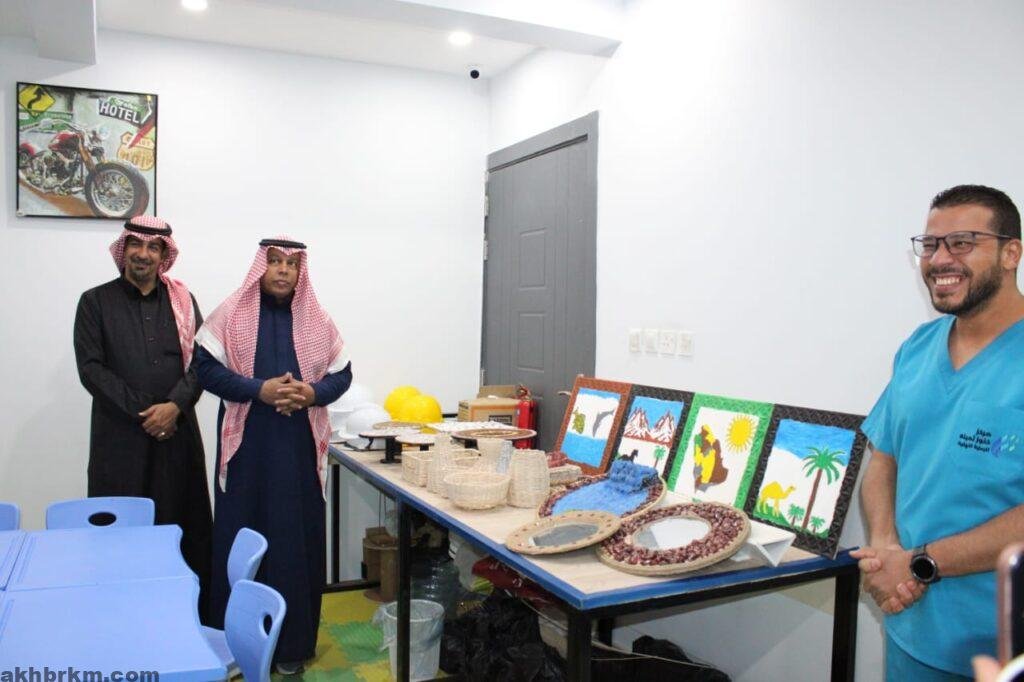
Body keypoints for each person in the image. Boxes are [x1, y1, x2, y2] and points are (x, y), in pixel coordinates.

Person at [852, 185, 1024, 680]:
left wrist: (920, 563)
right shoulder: (918, 348)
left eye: (962, 242)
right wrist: (885, 546)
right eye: (930, 244)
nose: (940, 258)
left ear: (1011, 253)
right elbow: (884, 457)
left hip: (1002, 645)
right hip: (912, 628)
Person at [195, 237, 351, 674]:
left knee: (294, 542)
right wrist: (257, 390)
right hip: (247, 452)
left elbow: (342, 375)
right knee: (241, 540)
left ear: (301, 272)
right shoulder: (232, 313)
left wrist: (311, 393)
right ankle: (233, 642)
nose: (283, 270)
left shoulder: (317, 319)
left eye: (291, 264)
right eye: (275, 261)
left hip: (299, 452)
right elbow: (204, 369)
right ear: (260, 268)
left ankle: (292, 647)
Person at [73, 215, 212, 618]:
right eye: (136, 244)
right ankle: (118, 620)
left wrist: (174, 407)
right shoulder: (95, 302)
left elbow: (202, 362)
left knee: (181, 530)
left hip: (177, 437)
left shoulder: (183, 301)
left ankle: (187, 620)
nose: (143, 254)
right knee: (120, 536)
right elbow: (92, 369)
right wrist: (146, 413)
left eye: (153, 247)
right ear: (124, 249)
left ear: (164, 255)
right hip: (120, 442)